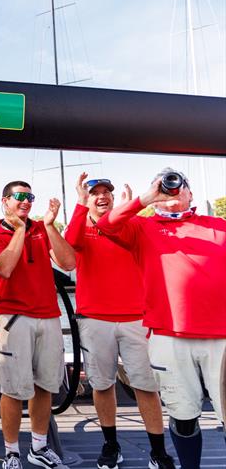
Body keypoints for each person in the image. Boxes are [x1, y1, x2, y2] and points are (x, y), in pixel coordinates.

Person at [96, 168, 226, 469]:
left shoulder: (218, 225)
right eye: (163, 189)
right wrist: (147, 197)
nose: (171, 192)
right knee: (182, 413)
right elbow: (107, 224)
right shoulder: (143, 228)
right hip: (169, 336)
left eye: (178, 186)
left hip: (221, 337)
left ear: (190, 194)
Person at [64, 173, 174, 469]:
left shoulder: (130, 224)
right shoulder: (79, 224)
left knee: (146, 386)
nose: (102, 196)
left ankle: (158, 451)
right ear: (86, 199)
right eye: (94, 193)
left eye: (106, 192)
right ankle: (111, 445)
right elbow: (70, 246)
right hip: (95, 319)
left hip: (137, 319)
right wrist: (78, 203)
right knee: (102, 385)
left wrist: (131, 207)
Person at [0, 181, 76, 469]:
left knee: (45, 385)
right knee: (13, 390)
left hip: (48, 318)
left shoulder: (40, 229)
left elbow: (68, 263)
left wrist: (48, 226)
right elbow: (5, 267)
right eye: (19, 197)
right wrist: (20, 230)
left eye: (30, 197)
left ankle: (39, 447)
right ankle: (11, 453)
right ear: (5, 200)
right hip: (15, 320)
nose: (26, 202)